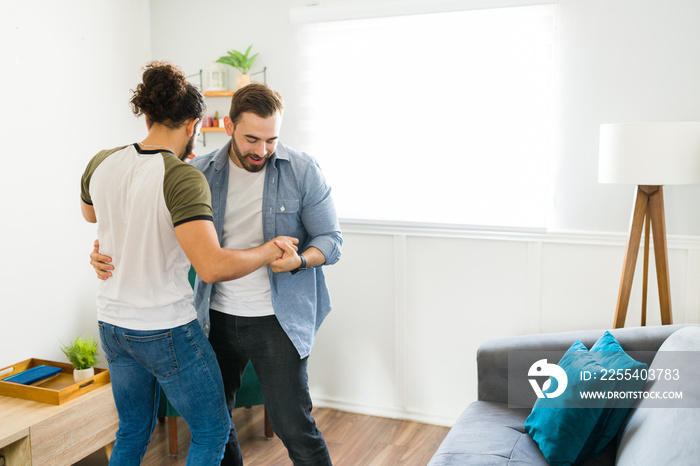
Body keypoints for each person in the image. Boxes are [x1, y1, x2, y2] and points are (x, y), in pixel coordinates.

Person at [91, 82, 342, 465]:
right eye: (252, 139)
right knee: (217, 427)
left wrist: (300, 260)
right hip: (215, 317)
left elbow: (331, 239)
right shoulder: (200, 170)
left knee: (295, 427)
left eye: (271, 140)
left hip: (277, 320)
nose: (261, 150)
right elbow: (156, 230)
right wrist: (104, 255)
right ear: (228, 126)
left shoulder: (303, 170)